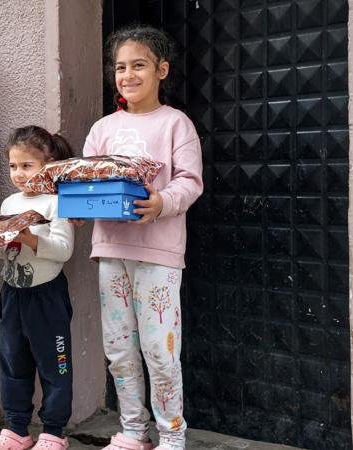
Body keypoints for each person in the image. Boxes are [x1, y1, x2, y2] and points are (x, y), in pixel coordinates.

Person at [80, 26, 203, 450]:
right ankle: (134, 431)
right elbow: (88, 181)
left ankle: (172, 435)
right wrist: (78, 210)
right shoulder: (102, 128)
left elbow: (191, 181)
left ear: (161, 70)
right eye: (120, 67)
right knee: (118, 350)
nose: (128, 74)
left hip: (159, 254)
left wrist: (162, 203)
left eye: (138, 65)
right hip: (110, 251)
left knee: (161, 351)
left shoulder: (176, 124)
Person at [0, 126, 75, 450]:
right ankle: (16, 429)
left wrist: (29, 237)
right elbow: (4, 250)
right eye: (13, 166)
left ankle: (53, 431)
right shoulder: (9, 202)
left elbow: (64, 250)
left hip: (46, 296)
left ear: (48, 164)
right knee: (12, 360)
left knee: (55, 364)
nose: (19, 174)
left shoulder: (56, 203)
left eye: (27, 166)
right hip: (13, 294)